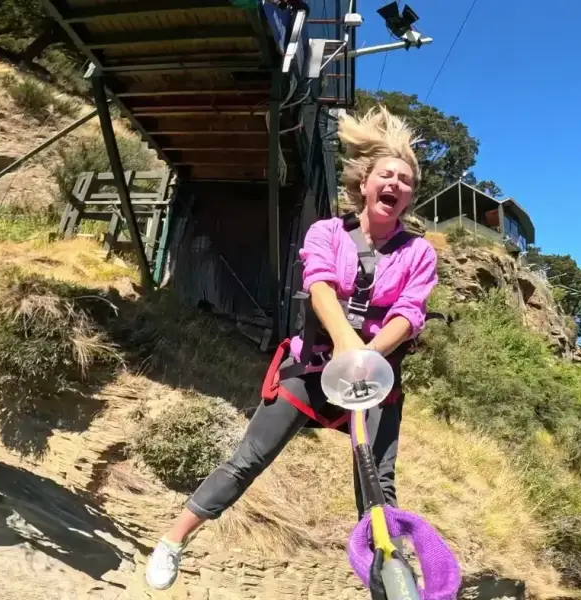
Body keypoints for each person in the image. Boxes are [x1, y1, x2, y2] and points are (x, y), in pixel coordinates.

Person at [145, 106, 439, 591]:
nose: (395, 184)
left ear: (409, 198)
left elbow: (410, 314)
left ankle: (391, 584)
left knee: (379, 491)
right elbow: (319, 285)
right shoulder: (327, 233)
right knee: (248, 460)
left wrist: (367, 358)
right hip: (314, 366)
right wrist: (347, 344)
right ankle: (172, 541)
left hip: (375, 378)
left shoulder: (418, 253)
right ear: (365, 183)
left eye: (405, 181)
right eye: (386, 175)